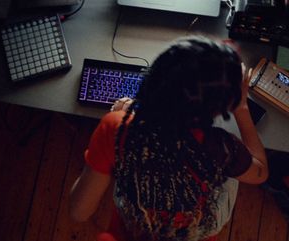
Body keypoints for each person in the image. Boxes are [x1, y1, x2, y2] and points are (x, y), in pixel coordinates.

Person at [69, 35, 268, 241]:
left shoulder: (117, 127)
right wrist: (242, 107)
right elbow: (260, 172)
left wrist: (131, 118)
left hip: (137, 221)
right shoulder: (221, 147)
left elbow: (79, 211)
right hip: (193, 231)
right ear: (218, 109)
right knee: (228, 175)